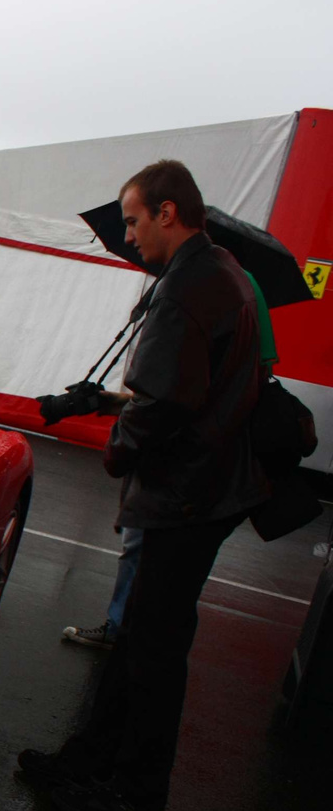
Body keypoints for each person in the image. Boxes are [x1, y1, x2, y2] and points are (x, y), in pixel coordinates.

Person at [19, 159, 269, 811]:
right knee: (138, 642)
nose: (127, 235)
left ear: (167, 212)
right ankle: (92, 759)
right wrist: (100, 399)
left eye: (132, 220)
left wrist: (116, 447)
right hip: (204, 492)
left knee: (154, 652)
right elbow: (187, 390)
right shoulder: (216, 275)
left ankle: (135, 796)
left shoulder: (190, 289)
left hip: (188, 497)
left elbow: (163, 406)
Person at [61, 271, 277, 651]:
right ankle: (131, 634)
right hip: (208, 475)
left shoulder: (211, 292)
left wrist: (123, 443)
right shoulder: (239, 293)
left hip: (190, 474)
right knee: (156, 567)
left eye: (135, 224)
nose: (131, 238)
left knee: (148, 555)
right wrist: (117, 402)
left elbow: (184, 400)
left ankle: (125, 634)